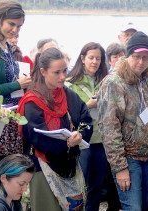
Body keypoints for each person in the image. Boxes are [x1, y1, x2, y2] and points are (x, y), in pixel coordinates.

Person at [97, 31, 148, 211]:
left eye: (145, 58)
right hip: (130, 159)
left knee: (146, 206)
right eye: (136, 57)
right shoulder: (114, 83)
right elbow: (109, 128)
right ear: (128, 55)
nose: (141, 62)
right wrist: (120, 168)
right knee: (133, 208)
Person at [18, 47, 93, 211]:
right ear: (43, 71)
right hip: (42, 167)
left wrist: (80, 134)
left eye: (65, 70)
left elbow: (86, 119)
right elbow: (36, 138)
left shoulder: (68, 94)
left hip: (71, 165)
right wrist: (66, 144)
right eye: (57, 72)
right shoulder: (32, 101)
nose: (63, 76)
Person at [66, 42, 120, 211]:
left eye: (98, 58)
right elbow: (68, 112)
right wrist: (88, 105)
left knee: (97, 183)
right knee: (81, 183)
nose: (94, 62)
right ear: (82, 58)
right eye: (91, 57)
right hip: (82, 139)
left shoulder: (107, 81)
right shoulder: (70, 83)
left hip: (103, 138)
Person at [0, 0, 31, 189]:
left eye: (19, 26)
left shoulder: (7, 47)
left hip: (10, 123)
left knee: (10, 179)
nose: (15, 30)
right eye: (11, 24)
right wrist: (16, 84)